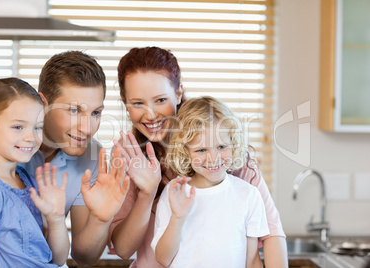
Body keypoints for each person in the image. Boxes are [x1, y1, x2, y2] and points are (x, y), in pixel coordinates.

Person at [109, 46, 288, 267]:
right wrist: (147, 193)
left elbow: (271, 232)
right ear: (124, 101)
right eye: (138, 103)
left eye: (160, 100)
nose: (151, 114)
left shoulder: (227, 152)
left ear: (178, 93)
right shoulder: (127, 155)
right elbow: (124, 250)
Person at [0, 51, 130, 267]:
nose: (87, 129)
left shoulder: (92, 157)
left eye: (96, 113)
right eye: (74, 110)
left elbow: (81, 258)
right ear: (43, 103)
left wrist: (100, 219)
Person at [151, 96, 269, 267]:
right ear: (185, 151)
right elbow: (163, 258)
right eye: (201, 150)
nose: (213, 158)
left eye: (221, 147)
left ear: (233, 143)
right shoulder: (175, 192)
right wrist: (178, 217)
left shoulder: (249, 195)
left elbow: (252, 260)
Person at [0, 77, 69, 267]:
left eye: (37, 128)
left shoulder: (27, 181)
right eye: (18, 127)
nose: (30, 137)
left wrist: (56, 218)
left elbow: (58, 259)